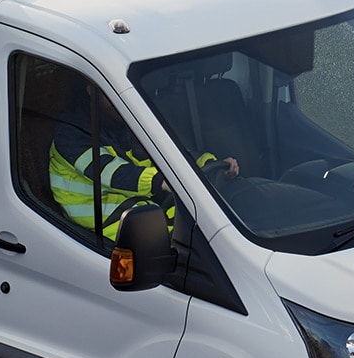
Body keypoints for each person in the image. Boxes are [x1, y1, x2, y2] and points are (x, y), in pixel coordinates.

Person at [50, 85, 235, 241]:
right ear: (93, 90)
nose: (124, 102)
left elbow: (164, 154)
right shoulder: (70, 132)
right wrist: (162, 181)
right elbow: (111, 172)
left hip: (134, 205)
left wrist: (209, 164)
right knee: (188, 241)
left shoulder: (120, 118)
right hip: (100, 220)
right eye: (113, 93)